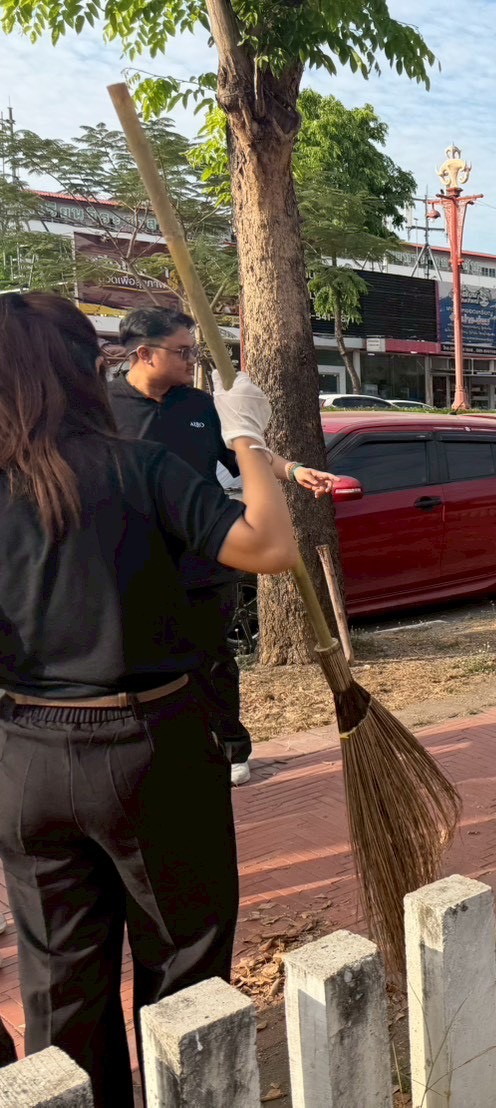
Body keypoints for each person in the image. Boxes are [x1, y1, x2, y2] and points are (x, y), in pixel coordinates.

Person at [0, 292, 298, 1106]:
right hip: (148, 748)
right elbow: (271, 546)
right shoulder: (138, 465)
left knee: (61, 984)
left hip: (23, 756)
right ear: (80, 368)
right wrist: (248, 439)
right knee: (183, 972)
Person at [108, 307, 334, 786]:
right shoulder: (101, 408)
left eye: (194, 349)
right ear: (144, 354)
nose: (192, 359)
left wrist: (292, 470)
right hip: (134, 563)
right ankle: (160, 751)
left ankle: (231, 748)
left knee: (212, 660)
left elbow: (244, 450)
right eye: (182, 351)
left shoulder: (200, 406)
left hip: (205, 558)